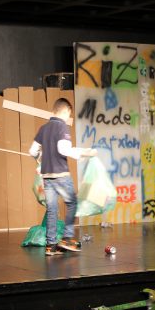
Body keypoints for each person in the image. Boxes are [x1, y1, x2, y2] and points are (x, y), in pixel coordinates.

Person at [29, 98, 97, 256]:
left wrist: (39, 157)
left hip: (47, 176)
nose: (68, 118)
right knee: (72, 203)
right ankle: (67, 238)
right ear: (65, 111)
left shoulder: (43, 128)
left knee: (52, 209)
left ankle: (50, 246)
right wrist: (85, 152)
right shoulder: (62, 127)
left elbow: (32, 151)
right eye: (69, 114)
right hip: (61, 175)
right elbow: (64, 149)